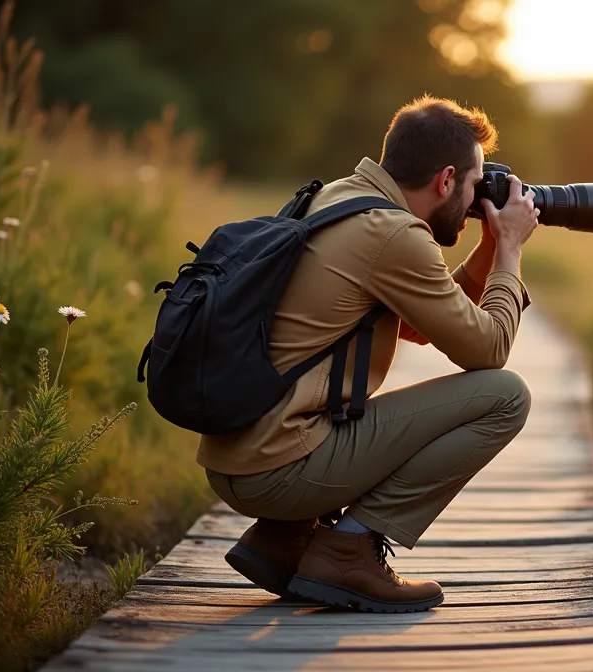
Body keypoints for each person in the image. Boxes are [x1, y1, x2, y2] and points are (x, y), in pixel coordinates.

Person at [199, 96, 537, 613]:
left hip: (237, 459)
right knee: (505, 395)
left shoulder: (341, 199)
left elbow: (420, 330)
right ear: (446, 180)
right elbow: (488, 350)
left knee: (365, 406)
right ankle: (347, 550)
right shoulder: (395, 234)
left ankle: (284, 538)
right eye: (474, 186)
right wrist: (511, 250)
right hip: (279, 470)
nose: (475, 203)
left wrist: (491, 242)